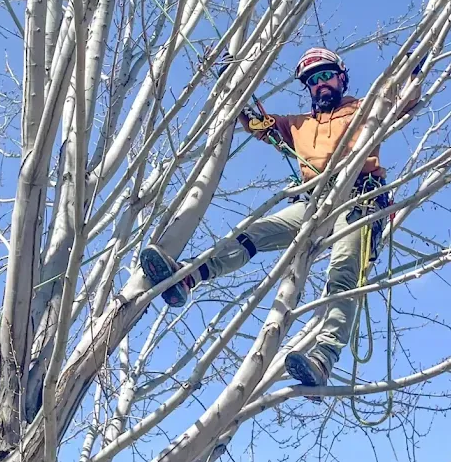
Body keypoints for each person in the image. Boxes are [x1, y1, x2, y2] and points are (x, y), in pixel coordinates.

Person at [140, 47, 421, 388]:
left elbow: (402, 99)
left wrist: (412, 66)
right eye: (313, 81)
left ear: (341, 78)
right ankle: (189, 276)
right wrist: (232, 80)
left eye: (326, 76)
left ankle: (323, 357)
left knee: (344, 271)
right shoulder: (297, 126)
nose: (320, 85)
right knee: (254, 233)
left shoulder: (364, 110)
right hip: (315, 202)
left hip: (360, 199)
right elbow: (257, 123)